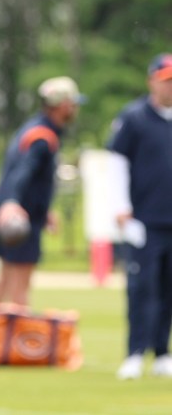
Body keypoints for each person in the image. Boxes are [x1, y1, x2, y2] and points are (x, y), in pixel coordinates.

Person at [0, 76, 83, 307]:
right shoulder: (42, 137)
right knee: (20, 286)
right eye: (73, 103)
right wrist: (12, 202)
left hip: (17, 213)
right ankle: (12, 337)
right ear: (63, 105)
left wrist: (44, 210)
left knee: (7, 280)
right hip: (20, 218)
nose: (76, 108)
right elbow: (22, 173)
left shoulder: (34, 129)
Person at [108, 53, 172, 380]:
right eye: (166, 81)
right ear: (153, 82)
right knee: (141, 288)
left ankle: (162, 351)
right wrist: (121, 208)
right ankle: (135, 352)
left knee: (168, 289)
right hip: (144, 221)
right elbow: (117, 163)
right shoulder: (134, 118)